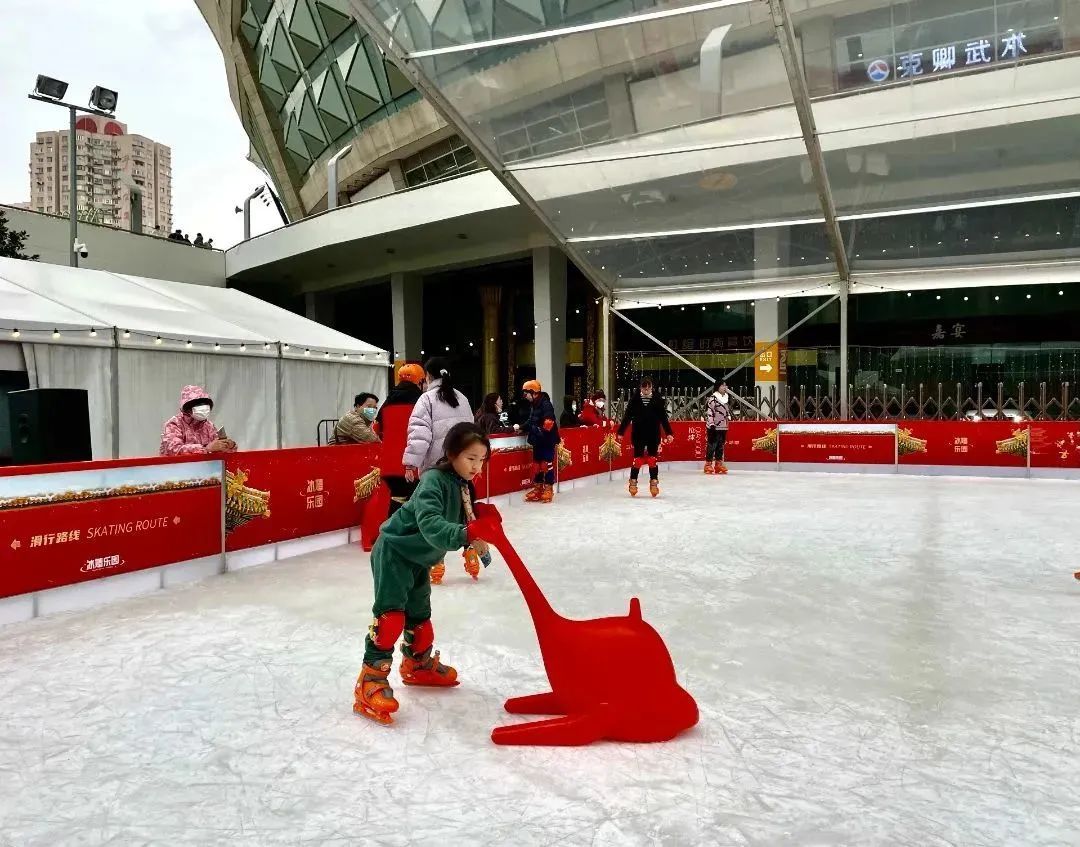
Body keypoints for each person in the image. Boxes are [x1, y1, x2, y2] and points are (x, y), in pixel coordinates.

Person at [354, 422, 501, 725]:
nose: (476, 466)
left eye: (481, 459)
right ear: (451, 454)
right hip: (395, 553)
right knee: (391, 618)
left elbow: (465, 518)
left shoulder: (463, 486)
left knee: (420, 619)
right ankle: (370, 678)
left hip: (420, 559)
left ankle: (417, 664)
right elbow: (431, 524)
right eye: (470, 458)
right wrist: (465, 533)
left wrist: (480, 523)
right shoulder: (433, 481)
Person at [403, 358, 474, 583]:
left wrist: (410, 463)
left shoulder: (427, 399)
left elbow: (419, 434)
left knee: (436, 515)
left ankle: (436, 561)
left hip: (436, 469)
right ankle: (471, 553)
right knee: (463, 511)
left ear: (429, 376)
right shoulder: (461, 398)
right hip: (460, 469)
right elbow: (472, 432)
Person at [377, 363, 426, 517]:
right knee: (414, 506)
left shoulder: (386, 403)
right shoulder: (422, 402)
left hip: (389, 466)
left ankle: (390, 535)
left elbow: (377, 430)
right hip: (412, 465)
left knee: (397, 501)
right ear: (419, 381)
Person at [617, 378, 673, 497]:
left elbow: (663, 418)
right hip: (638, 434)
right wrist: (621, 432)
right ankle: (633, 481)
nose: (646, 390)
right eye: (644, 388)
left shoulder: (657, 400)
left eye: (648, 388)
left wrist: (669, 433)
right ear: (640, 388)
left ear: (651, 387)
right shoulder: (635, 400)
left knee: (652, 460)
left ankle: (654, 482)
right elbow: (627, 417)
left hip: (653, 434)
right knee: (637, 460)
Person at [160, 385, 236, 456]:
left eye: (204, 403)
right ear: (187, 408)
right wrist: (205, 448)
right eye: (197, 404)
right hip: (176, 468)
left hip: (205, 468)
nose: (202, 407)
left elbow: (217, 451)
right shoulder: (174, 424)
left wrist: (228, 446)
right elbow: (173, 449)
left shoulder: (208, 426)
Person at [520, 379, 560, 503]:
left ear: (533, 393)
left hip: (547, 440)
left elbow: (548, 425)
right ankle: (538, 488)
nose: (525, 397)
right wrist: (521, 426)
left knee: (546, 464)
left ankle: (548, 489)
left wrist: (533, 429)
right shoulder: (534, 405)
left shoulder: (546, 404)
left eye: (526, 394)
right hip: (538, 440)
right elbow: (531, 420)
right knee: (537, 464)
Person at [704, 380, 732, 475]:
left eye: (725, 385)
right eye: (723, 385)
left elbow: (726, 410)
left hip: (723, 426)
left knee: (720, 446)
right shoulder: (713, 399)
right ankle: (708, 464)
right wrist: (711, 424)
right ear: (718, 387)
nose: (725, 387)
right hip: (714, 426)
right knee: (712, 445)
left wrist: (728, 416)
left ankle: (718, 463)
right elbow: (710, 412)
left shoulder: (726, 398)